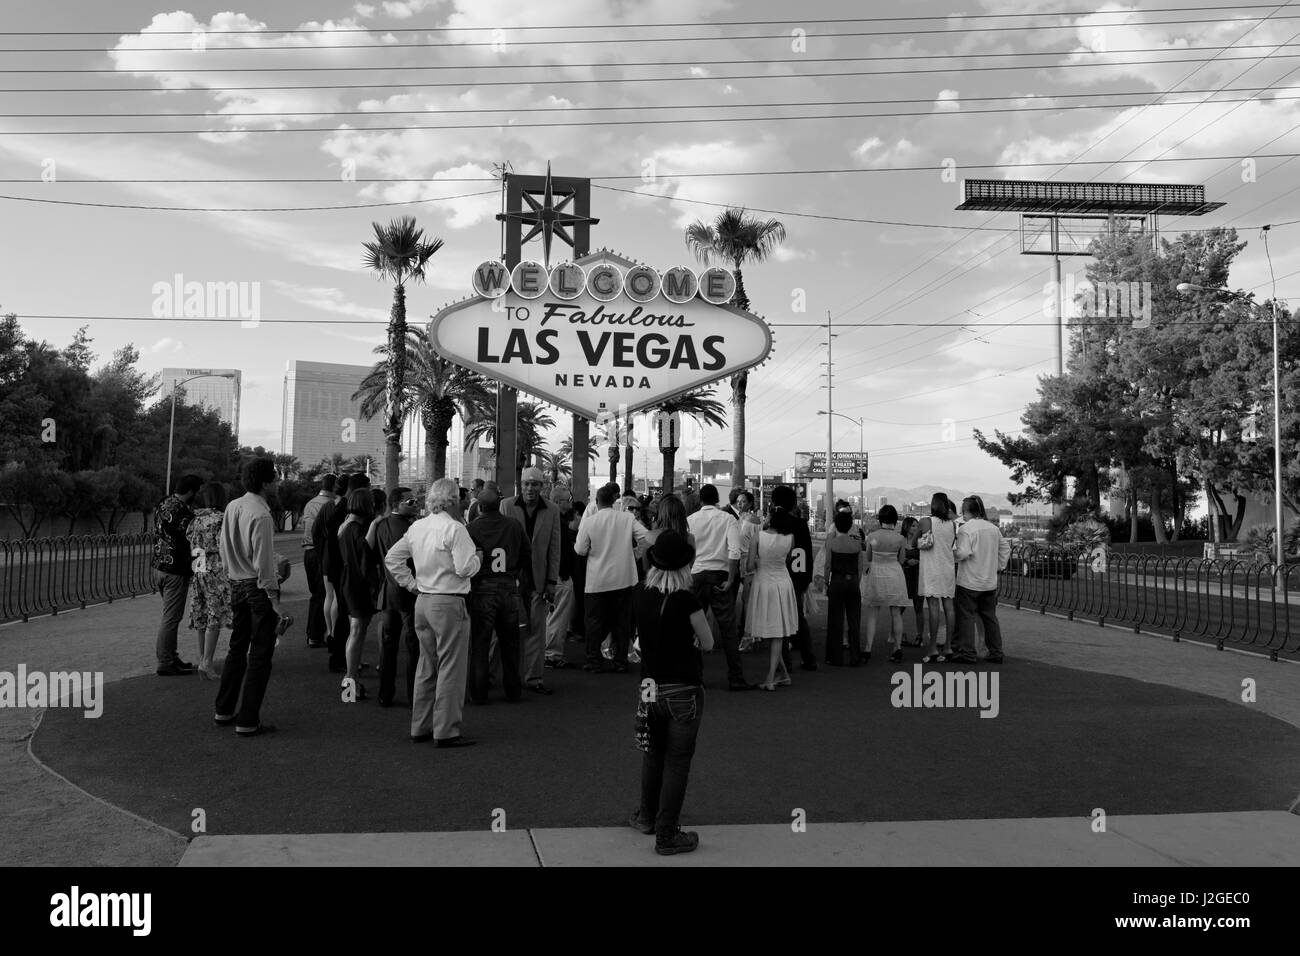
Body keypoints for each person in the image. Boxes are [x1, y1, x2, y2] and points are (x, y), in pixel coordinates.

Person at [629, 530, 714, 856]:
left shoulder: (640, 593)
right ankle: (667, 834)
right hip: (683, 688)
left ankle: (645, 816)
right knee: (677, 762)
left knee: (653, 753)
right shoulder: (687, 600)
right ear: (685, 565)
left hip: (650, 685)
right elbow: (707, 643)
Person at [384, 478, 482, 747]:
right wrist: (478, 561)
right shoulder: (455, 529)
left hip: (424, 601)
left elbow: (392, 558)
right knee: (451, 667)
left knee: (426, 665)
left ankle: (421, 725)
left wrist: (412, 584)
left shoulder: (418, 527)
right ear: (452, 500)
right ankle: (446, 730)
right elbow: (464, 568)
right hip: (449, 601)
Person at [214, 457, 288, 736]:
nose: (278, 483)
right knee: (260, 654)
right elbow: (265, 565)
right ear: (266, 482)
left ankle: (223, 709)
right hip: (257, 589)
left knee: (237, 648)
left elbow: (223, 549)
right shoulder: (262, 515)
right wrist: (275, 602)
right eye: (276, 478)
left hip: (235, 584)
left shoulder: (233, 506)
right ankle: (247, 720)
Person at [576, 482, 650, 673]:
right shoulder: (626, 518)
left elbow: (580, 550)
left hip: (597, 580)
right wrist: (635, 551)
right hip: (623, 578)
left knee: (594, 621)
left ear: (597, 501)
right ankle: (620, 661)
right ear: (614, 501)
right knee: (621, 621)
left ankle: (594, 660)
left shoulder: (590, 522)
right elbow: (647, 537)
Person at [687, 484, 752, 691]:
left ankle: (695, 677)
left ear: (700, 500)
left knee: (692, 627)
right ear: (717, 500)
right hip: (719, 575)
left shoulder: (690, 520)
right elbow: (735, 551)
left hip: (696, 576)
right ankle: (735, 677)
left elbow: (688, 552)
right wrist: (732, 579)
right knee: (728, 629)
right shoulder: (728, 519)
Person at [502, 466, 561, 696]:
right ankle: (495, 675)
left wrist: (551, 582)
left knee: (537, 630)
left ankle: (534, 678)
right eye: (527, 483)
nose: (530, 488)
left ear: (542, 486)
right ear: (521, 484)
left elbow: (554, 549)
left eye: (535, 484)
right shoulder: (506, 506)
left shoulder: (552, 510)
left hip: (538, 580)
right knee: (506, 631)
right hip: (511, 579)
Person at [468, 482, 528, 703]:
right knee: (510, 643)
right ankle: (513, 690)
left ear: (480, 507)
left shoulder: (471, 528)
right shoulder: (513, 525)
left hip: (482, 587)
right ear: (499, 505)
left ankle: (479, 693)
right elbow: (526, 553)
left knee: (481, 643)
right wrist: (514, 571)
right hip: (508, 586)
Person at [370, 487, 420, 708]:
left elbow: (372, 557)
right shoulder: (413, 529)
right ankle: (414, 695)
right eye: (411, 501)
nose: (416, 504)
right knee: (413, 646)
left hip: (388, 592)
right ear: (397, 503)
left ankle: (385, 694)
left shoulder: (380, 525)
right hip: (409, 593)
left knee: (389, 646)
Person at [745, 501, 800, 690]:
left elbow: (749, 565)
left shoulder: (758, 537)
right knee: (776, 631)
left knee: (771, 631)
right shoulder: (790, 538)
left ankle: (771, 678)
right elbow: (787, 559)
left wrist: (760, 562)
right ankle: (782, 674)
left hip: (764, 582)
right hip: (783, 583)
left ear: (770, 518)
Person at [153, 474, 203, 676]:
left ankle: (172, 657)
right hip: (175, 572)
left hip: (159, 566)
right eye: (196, 492)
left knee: (170, 616)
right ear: (191, 491)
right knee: (171, 618)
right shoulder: (183, 513)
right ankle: (165, 662)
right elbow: (192, 542)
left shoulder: (164, 503)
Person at [952, 495, 1010, 665]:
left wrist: (952, 554)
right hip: (989, 581)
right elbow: (1005, 548)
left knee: (967, 617)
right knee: (990, 617)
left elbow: (963, 553)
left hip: (969, 581)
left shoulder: (966, 529)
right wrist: (998, 566)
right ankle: (996, 651)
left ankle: (968, 653)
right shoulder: (993, 528)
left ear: (966, 511)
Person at [186, 481, 232, 681]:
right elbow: (225, 545)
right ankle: (207, 662)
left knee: (202, 614)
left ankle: (203, 659)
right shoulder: (222, 519)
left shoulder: (195, 519)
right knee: (215, 614)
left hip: (199, 566)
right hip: (215, 567)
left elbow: (190, 541)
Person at [771, 485, 817, 673]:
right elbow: (806, 553)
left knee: (778, 620)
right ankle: (809, 658)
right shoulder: (800, 524)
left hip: (776, 574)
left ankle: (784, 662)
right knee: (798, 617)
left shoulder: (772, 523)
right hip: (797, 577)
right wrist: (806, 578)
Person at [338, 488, 378, 701]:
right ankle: (350, 680)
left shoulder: (345, 525)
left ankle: (350, 680)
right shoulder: (356, 528)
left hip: (348, 581)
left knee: (356, 631)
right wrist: (374, 525)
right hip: (358, 584)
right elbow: (366, 551)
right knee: (357, 630)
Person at [862, 505, 910, 664]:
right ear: (895, 520)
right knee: (896, 613)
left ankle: (868, 649)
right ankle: (897, 648)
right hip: (894, 575)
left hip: (876, 574)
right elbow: (902, 560)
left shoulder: (872, 536)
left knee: (873, 613)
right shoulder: (899, 538)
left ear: (880, 519)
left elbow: (868, 557)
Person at [917, 493, 958, 663]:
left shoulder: (926, 521)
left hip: (931, 569)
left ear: (933, 505)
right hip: (947, 569)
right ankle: (948, 646)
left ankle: (933, 647)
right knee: (949, 607)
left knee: (933, 608)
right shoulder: (953, 525)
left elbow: (913, 542)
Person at [821, 508, 864, 666]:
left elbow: (827, 566)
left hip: (837, 582)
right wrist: (856, 582)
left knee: (835, 620)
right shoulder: (857, 544)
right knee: (854, 621)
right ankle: (855, 657)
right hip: (853, 582)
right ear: (850, 525)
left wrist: (826, 582)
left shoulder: (831, 543)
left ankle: (834, 657)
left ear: (836, 525)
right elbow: (860, 567)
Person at [544, 484, 578, 669]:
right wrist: (564, 573)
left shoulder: (544, 518)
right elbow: (561, 551)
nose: (570, 504)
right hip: (560, 576)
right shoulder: (559, 523)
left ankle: (546, 652)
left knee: (548, 616)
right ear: (557, 502)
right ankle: (552, 655)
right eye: (568, 500)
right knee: (558, 617)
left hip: (547, 575)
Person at [300, 474, 336, 649]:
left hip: (308, 553)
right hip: (321, 552)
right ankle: (316, 635)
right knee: (324, 595)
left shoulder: (309, 503)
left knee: (316, 595)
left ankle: (313, 634)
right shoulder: (330, 505)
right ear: (334, 487)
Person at [900, 515, 925, 647]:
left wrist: (918, 561)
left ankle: (919, 636)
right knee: (900, 608)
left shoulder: (921, 541)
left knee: (918, 607)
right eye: (913, 525)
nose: (916, 528)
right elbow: (896, 558)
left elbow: (927, 558)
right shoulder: (901, 541)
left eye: (917, 526)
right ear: (906, 527)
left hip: (918, 577)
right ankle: (900, 634)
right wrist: (906, 561)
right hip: (903, 577)